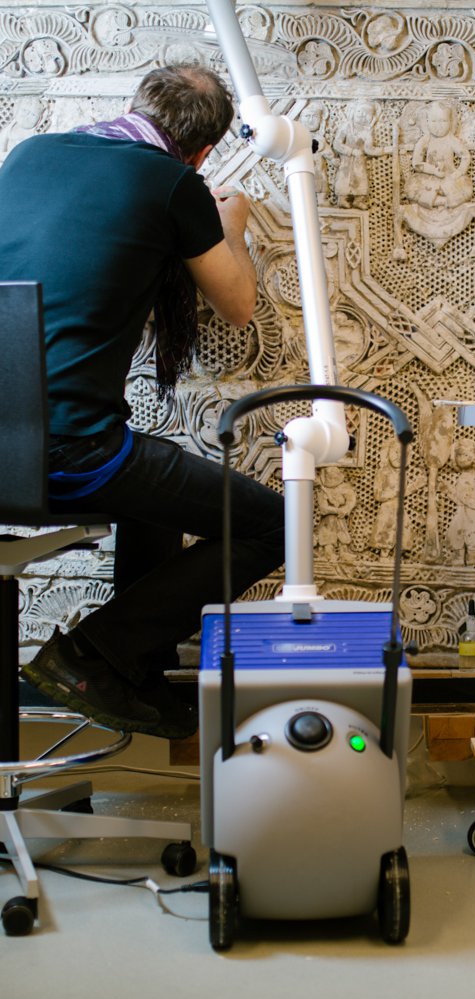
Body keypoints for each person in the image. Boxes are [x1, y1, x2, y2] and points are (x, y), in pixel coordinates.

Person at [0, 65, 285, 739]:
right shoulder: (173, 183)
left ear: (136, 106)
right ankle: (93, 655)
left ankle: (134, 672)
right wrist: (232, 226)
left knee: (153, 494)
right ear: (204, 149)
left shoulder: (29, 154)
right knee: (273, 523)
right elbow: (239, 305)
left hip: (10, 452)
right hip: (68, 452)